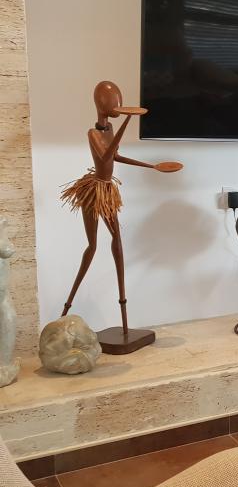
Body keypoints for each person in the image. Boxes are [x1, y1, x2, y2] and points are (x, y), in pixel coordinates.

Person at [60, 82, 181, 334]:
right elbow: (105, 157)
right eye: (113, 102)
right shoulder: (93, 134)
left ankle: (124, 313)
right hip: (93, 192)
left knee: (117, 240)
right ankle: (67, 306)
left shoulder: (110, 129)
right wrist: (127, 121)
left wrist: (151, 166)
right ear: (101, 104)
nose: (118, 106)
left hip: (107, 191)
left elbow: (115, 157)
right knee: (93, 246)